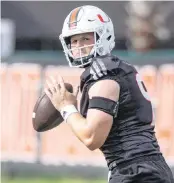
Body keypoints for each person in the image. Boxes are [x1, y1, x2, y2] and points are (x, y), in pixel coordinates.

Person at [45, 5, 174, 183]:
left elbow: (91, 138)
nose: (79, 46)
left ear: (103, 36)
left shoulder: (104, 75)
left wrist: (66, 107)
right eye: (74, 41)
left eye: (85, 38)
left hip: (136, 171)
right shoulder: (114, 68)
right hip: (142, 168)